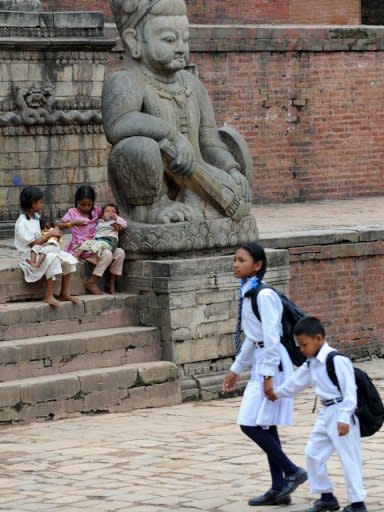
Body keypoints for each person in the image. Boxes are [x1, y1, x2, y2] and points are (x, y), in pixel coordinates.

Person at [222, 242, 307, 507]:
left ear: (257, 265)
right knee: (266, 425)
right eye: (234, 259)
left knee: (249, 423)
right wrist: (237, 368)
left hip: (272, 363)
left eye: (242, 260)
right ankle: (279, 486)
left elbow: (271, 338)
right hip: (261, 360)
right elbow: (253, 337)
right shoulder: (247, 292)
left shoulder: (263, 296)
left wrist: (268, 376)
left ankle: (292, 471)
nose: (235, 264)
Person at [267, 316, 367, 512]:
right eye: (299, 345)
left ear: (319, 338)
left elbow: (349, 391)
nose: (302, 349)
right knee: (313, 454)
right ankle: (326, 496)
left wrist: (344, 417)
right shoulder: (311, 363)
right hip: (325, 413)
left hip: (341, 412)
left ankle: (358, 503)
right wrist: (275, 393)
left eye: (304, 344)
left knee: (349, 459)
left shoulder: (337, 360)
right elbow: (295, 383)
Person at [14, 186, 78, 308]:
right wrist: (50, 234)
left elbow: (53, 226)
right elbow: (33, 244)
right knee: (52, 257)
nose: (42, 205)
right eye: (40, 202)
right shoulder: (21, 222)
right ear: (33, 204)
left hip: (42, 249)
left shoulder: (37, 218)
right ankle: (48, 296)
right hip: (30, 254)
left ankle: (64, 292)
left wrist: (61, 228)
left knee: (68, 258)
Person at [60, 186, 126, 295]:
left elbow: (108, 215)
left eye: (89, 205)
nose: (86, 208)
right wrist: (72, 223)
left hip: (98, 244)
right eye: (83, 205)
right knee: (107, 254)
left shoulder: (96, 210)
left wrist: (118, 226)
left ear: (93, 203)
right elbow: (59, 225)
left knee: (120, 252)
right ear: (77, 201)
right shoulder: (72, 212)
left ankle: (112, 282)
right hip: (81, 247)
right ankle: (92, 281)